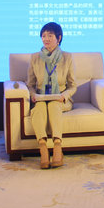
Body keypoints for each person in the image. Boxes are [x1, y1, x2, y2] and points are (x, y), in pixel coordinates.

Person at [27, 22, 77, 169]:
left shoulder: (67, 57)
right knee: (39, 107)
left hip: (60, 98)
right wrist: (33, 95)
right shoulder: (35, 58)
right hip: (41, 97)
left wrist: (64, 95)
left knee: (54, 105)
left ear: (59, 38)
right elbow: (30, 84)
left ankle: (57, 147)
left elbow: (73, 85)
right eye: (43, 36)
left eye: (50, 35)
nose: (46, 39)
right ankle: (43, 148)